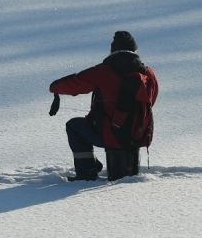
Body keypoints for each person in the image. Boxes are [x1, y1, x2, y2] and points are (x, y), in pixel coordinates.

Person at [49, 31, 159, 180]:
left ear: (113, 51)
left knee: (74, 126)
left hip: (110, 134)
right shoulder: (148, 74)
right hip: (139, 135)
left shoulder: (103, 71)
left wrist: (54, 88)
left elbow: (74, 83)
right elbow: (151, 101)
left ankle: (87, 171)